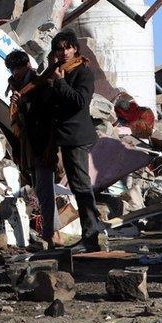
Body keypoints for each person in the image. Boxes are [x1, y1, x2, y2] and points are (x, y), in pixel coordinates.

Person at [47, 30, 104, 252]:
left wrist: (60, 83)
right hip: (64, 137)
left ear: (75, 49)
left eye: (67, 48)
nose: (63, 52)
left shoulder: (82, 73)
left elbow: (80, 102)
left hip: (77, 137)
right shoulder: (56, 72)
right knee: (78, 185)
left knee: (81, 186)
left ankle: (91, 236)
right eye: (59, 49)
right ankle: (92, 232)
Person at [6, 49, 61, 249]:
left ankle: (50, 236)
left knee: (45, 190)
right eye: (12, 70)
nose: (15, 73)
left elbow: (44, 116)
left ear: (27, 66)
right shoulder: (17, 88)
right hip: (30, 146)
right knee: (41, 189)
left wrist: (22, 105)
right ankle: (52, 234)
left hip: (43, 144)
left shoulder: (39, 85)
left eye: (17, 68)